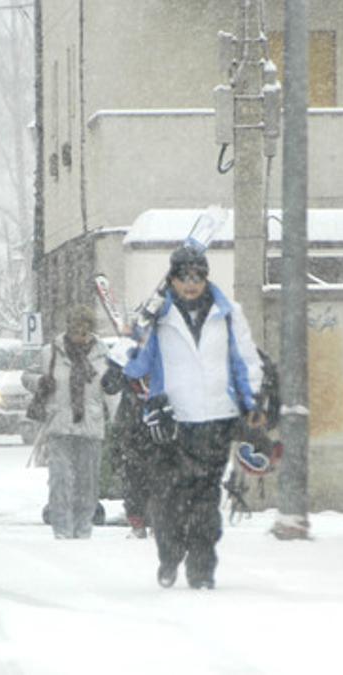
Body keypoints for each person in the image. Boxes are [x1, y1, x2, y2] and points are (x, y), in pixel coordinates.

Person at [123, 244, 264, 589]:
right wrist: (122, 367)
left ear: (206, 278)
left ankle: (202, 569)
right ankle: (170, 555)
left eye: (197, 277)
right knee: (169, 500)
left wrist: (252, 401)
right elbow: (137, 360)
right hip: (173, 422)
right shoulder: (158, 317)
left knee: (205, 501)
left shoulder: (228, 313)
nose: (190, 285)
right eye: (183, 277)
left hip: (217, 418)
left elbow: (244, 360)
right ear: (171, 280)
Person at [23, 305, 110, 539]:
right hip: (59, 424)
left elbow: (111, 390)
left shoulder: (103, 355)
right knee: (60, 481)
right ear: (68, 329)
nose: (80, 337)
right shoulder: (50, 352)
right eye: (76, 331)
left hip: (90, 426)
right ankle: (62, 530)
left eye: (85, 332)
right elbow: (26, 376)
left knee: (87, 483)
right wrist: (41, 382)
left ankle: (83, 530)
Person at [101, 338, 156, 539]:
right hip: (132, 427)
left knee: (162, 478)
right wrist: (117, 368)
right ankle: (137, 523)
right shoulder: (128, 359)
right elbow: (108, 385)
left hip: (161, 425)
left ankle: (159, 523)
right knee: (134, 477)